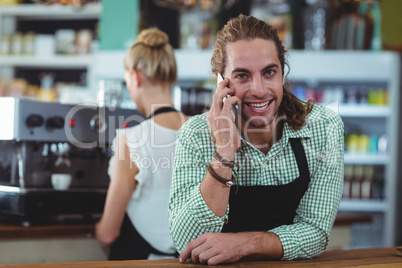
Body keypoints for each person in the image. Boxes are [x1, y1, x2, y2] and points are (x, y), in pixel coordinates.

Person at [169, 14, 344, 265]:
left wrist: (242, 244)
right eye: (242, 76)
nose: (259, 90)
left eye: (269, 72)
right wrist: (224, 153)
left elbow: (315, 231)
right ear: (221, 81)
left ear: (282, 75)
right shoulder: (195, 135)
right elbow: (188, 242)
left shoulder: (324, 128)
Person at [95, 28, 187, 260]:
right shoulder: (202, 131)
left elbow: (108, 234)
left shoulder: (132, 140)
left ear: (135, 77)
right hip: (193, 261)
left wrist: (94, 230)